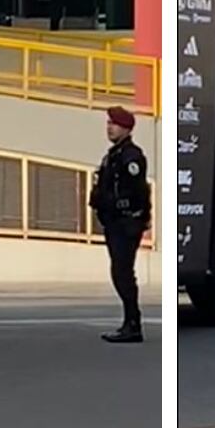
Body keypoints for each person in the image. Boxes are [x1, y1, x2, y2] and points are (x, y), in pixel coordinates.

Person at [90, 106, 151, 343]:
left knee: (123, 272)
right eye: (108, 123)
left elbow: (136, 191)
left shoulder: (131, 156)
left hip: (126, 222)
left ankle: (133, 324)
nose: (109, 127)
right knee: (120, 271)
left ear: (126, 128)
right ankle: (130, 322)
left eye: (114, 124)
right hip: (114, 222)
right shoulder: (113, 155)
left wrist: (121, 208)